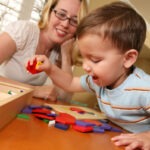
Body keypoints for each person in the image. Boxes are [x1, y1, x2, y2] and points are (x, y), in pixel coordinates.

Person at [26, 1, 150, 150]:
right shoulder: (98, 81)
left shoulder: (144, 88)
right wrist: (50, 68)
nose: (85, 66)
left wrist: (147, 136)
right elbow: (70, 83)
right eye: (84, 57)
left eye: (95, 60)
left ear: (128, 58)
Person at [0, 0, 88, 101]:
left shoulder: (59, 49)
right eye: (61, 14)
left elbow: (64, 97)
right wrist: (34, 90)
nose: (65, 24)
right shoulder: (23, 31)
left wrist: (66, 54)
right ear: (49, 12)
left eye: (74, 21)